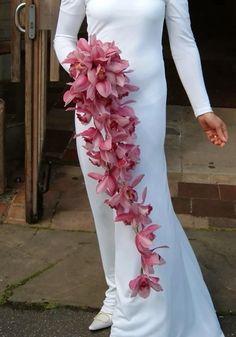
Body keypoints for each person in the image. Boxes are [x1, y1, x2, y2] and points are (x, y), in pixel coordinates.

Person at [54, 0, 228, 336]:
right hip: (96, 102)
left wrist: (202, 107)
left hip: (145, 102)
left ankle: (141, 310)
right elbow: (62, 36)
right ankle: (114, 294)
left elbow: (183, 40)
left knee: (144, 200)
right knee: (105, 204)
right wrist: (83, 70)